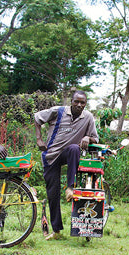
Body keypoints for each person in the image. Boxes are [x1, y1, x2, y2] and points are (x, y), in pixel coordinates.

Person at [34, 90, 99, 240]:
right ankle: (56, 230)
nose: (79, 105)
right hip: (51, 155)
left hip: (68, 154)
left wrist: (88, 137)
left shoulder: (88, 117)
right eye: (76, 101)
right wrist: (39, 139)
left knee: (74, 148)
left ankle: (70, 187)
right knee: (53, 193)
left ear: (85, 104)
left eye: (82, 102)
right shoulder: (58, 111)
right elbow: (37, 118)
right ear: (71, 101)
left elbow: (96, 138)